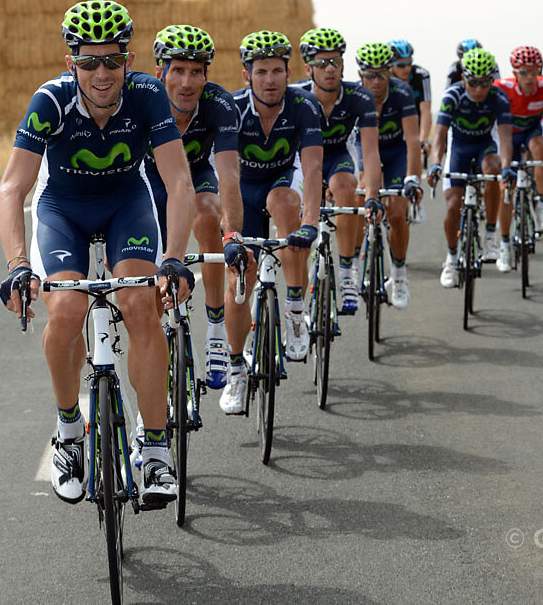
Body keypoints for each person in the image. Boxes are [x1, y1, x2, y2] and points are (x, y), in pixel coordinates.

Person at [0, 0, 195, 505]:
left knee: (141, 306)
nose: (101, 73)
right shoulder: (50, 102)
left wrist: (174, 257)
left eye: (112, 60)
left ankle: (153, 450)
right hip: (64, 209)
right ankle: (68, 431)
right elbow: (11, 189)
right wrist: (19, 266)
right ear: (72, 64)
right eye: (89, 62)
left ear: (128, 61)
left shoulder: (148, 96)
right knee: (65, 308)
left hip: (126, 206)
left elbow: (177, 180)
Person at [221, 31, 324, 414]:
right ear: (247, 74)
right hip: (242, 189)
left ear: (288, 72)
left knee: (287, 209)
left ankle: (296, 311)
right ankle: (236, 369)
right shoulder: (230, 107)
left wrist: (310, 223)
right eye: (261, 70)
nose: (270, 79)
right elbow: (227, 175)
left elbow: (313, 167)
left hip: (284, 180)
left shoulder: (304, 104)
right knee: (238, 280)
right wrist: (231, 232)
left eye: (277, 71)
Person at [145, 24, 245, 397]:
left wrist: (232, 233)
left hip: (198, 174)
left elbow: (229, 174)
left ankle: (216, 329)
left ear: (207, 75)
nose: (187, 82)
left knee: (207, 211)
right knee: (150, 295)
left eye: (197, 72)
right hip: (152, 181)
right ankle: (151, 403)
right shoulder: (143, 98)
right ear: (160, 73)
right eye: (178, 71)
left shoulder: (219, 104)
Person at [294, 27, 382, 313]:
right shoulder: (296, 96)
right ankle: (294, 291)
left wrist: (371, 195)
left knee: (346, 188)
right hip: (302, 160)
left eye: (335, 62)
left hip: (337, 157)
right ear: (308, 68)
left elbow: (369, 152)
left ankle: (346, 273)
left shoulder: (360, 96)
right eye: (321, 63)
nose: (329, 69)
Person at [427, 48, 513, 288]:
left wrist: (507, 167)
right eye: (473, 83)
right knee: (454, 206)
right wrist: (435, 163)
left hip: (485, 145)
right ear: (463, 78)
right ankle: (451, 259)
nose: (478, 89)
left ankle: (490, 234)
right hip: (460, 149)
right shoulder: (452, 96)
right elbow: (440, 137)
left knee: (494, 168)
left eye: (485, 83)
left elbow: (505, 139)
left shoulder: (499, 97)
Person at [353, 42, 423, 308]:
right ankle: (354, 267)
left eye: (382, 73)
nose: (377, 80)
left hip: (395, 152)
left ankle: (400, 273)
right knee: (361, 191)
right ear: (360, 74)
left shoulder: (402, 92)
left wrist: (412, 178)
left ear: (390, 72)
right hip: (362, 147)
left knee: (396, 212)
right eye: (370, 74)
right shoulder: (355, 95)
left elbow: (413, 140)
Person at [494, 44, 543, 265]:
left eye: (535, 70)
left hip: (532, 130)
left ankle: (542, 203)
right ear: (514, 73)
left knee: (540, 148)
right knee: (506, 189)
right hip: (508, 134)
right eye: (524, 72)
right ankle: (504, 244)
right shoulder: (501, 87)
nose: (530, 77)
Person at [388, 39, 434, 157]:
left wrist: (423, 140)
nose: (407, 69)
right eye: (401, 65)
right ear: (390, 65)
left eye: (409, 63)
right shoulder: (384, 78)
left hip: (414, 123)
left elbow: (426, 111)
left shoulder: (421, 75)